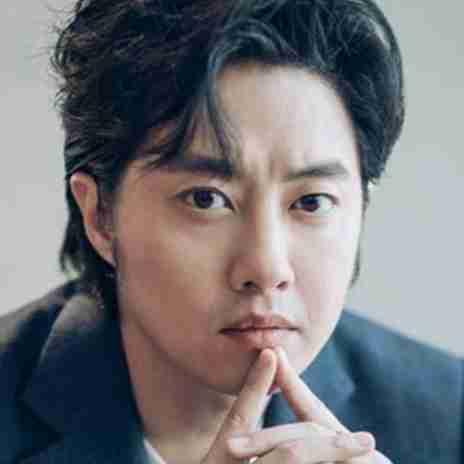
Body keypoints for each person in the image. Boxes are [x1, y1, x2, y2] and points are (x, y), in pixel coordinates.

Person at [1, 0, 462, 463]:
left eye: (311, 202)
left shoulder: (447, 420)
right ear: (101, 215)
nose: (267, 268)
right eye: (205, 199)